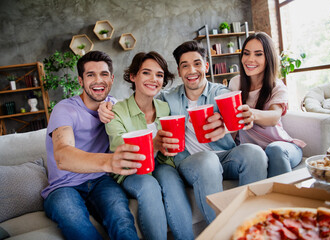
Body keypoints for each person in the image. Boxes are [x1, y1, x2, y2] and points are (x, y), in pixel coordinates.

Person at [98, 41, 268, 224]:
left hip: (224, 156)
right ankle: (223, 231)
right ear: (179, 72)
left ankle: (253, 225)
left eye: (197, 63)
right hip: (189, 162)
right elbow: (143, 96)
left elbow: (238, 117)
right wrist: (108, 103)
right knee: (207, 160)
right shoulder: (167, 98)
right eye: (184, 66)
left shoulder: (222, 93)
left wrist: (230, 123)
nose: (192, 70)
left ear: (206, 66)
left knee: (255, 153)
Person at [41, 51, 139, 240]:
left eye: (103, 74)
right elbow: (62, 155)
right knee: (76, 222)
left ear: (111, 79)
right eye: (90, 75)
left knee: (122, 219)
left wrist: (112, 111)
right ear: (80, 81)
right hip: (64, 186)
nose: (98, 80)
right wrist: (109, 162)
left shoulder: (114, 106)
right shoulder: (64, 109)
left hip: (101, 182)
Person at [105, 51, 194, 240]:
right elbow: (122, 150)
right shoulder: (116, 111)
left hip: (161, 165)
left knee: (171, 179)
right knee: (149, 186)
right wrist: (153, 144)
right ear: (133, 76)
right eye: (146, 73)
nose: (154, 79)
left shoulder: (164, 107)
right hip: (131, 171)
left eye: (159, 75)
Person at [228, 32, 306, 178]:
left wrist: (252, 114)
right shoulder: (235, 83)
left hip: (283, 147)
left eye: (258, 54)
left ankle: (284, 199)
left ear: (268, 58)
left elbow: (274, 117)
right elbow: (231, 126)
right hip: (252, 153)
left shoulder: (277, 86)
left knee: (274, 149)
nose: (250, 59)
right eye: (246, 53)